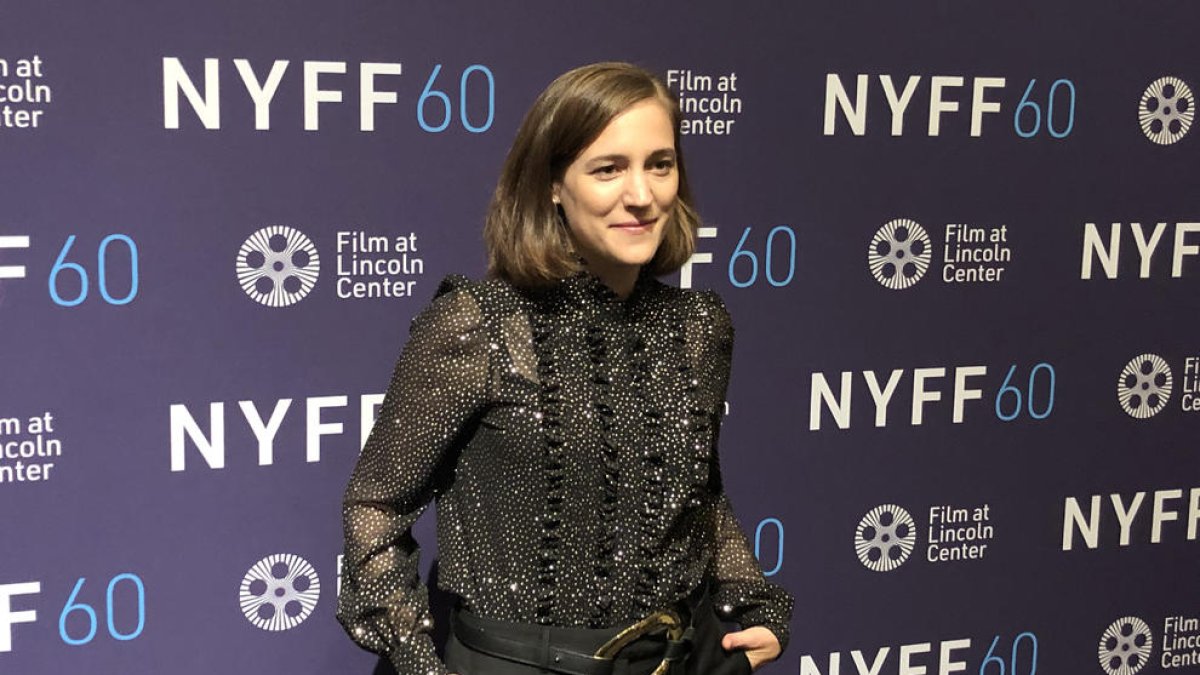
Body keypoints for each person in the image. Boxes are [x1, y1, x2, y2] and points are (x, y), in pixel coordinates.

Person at [337, 61, 793, 675]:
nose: (642, 195)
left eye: (660, 164)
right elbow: (375, 505)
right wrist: (420, 662)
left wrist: (756, 600)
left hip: (689, 654)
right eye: (608, 169)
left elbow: (700, 495)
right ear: (553, 184)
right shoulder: (480, 324)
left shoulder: (699, 327)